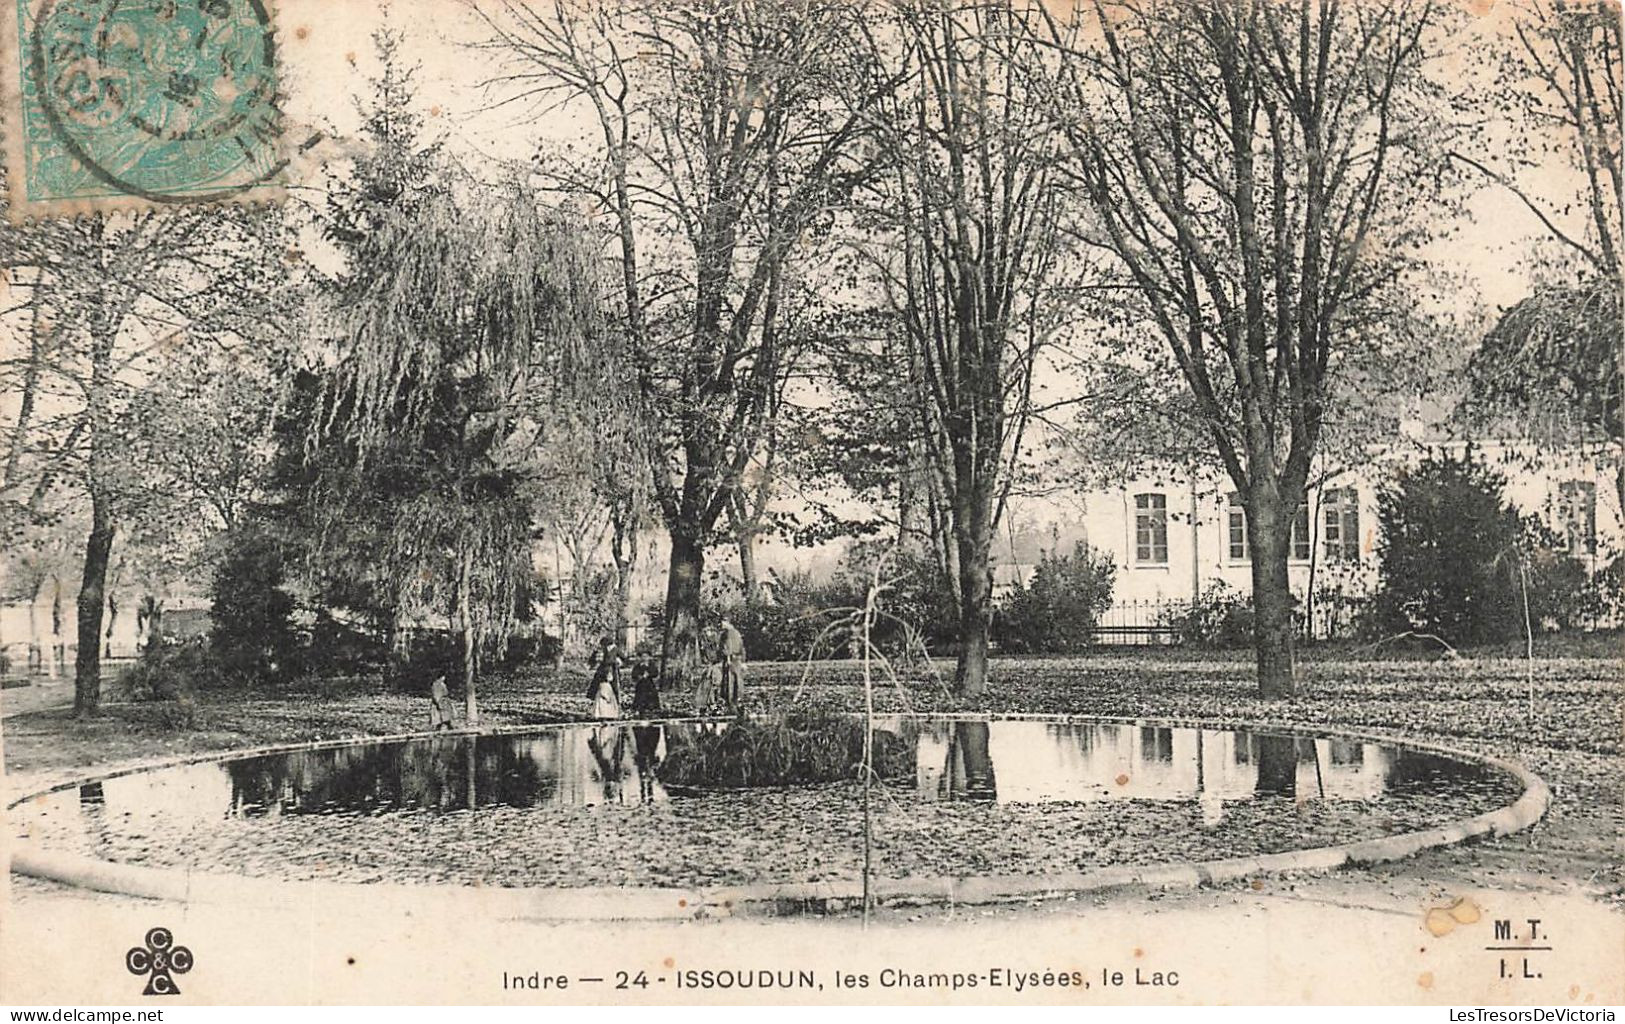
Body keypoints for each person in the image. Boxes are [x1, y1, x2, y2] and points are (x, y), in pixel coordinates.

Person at [586, 636, 623, 720]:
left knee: (612, 690)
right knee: (600, 689)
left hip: (612, 671)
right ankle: (599, 712)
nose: (606, 647)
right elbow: (592, 660)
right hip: (602, 671)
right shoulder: (600, 650)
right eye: (604, 646)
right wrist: (595, 661)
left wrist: (618, 662)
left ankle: (613, 712)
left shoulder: (616, 650)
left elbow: (623, 658)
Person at [717, 616, 746, 710]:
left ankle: (731, 702)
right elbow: (742, 647)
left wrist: (728, 659)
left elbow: (727, 647)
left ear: (726, 622)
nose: (720, 625)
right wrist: (743, 661)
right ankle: (737, 700)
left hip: (731, 660)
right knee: (737, 680)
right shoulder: (737, 633)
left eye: (722, 623)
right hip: (737, 660)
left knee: (730, 681)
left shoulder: (727, 634)